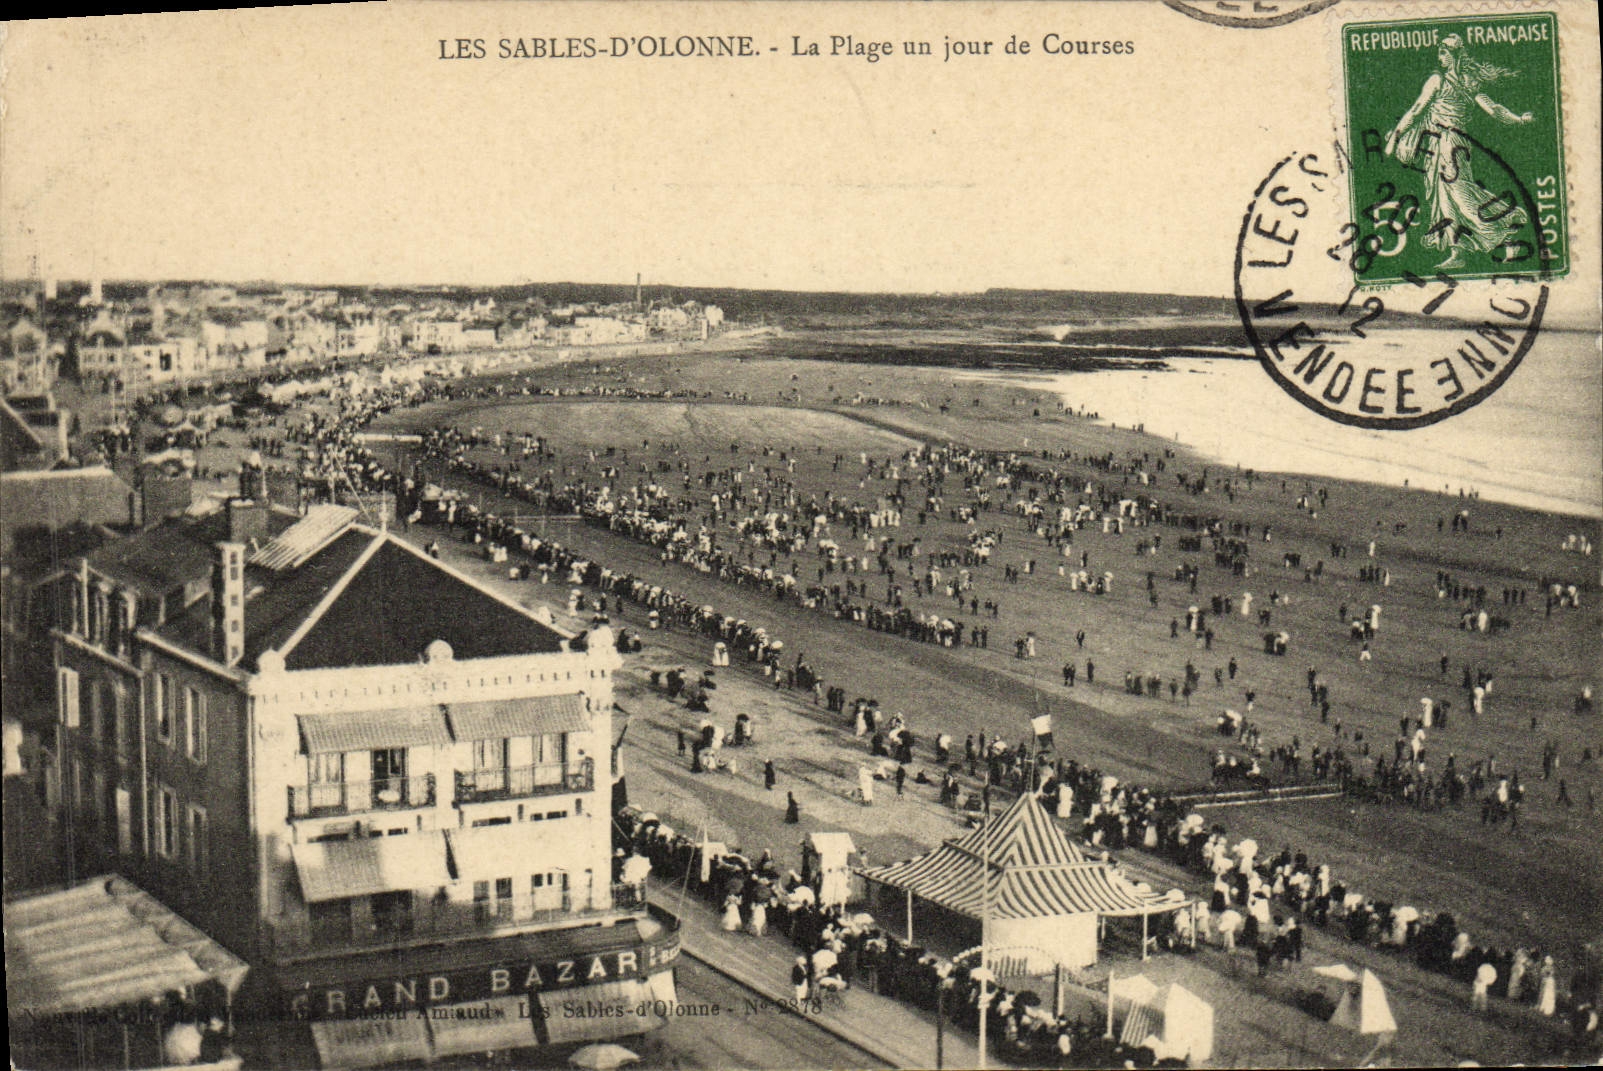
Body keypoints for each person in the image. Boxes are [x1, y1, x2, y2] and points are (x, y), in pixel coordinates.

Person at [1384, 34, 1535, 270]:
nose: (1440, 58)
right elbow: (1417, 110)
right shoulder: (1453, 81)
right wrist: (1518, 119)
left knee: (1460, 193)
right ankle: (1459, 251)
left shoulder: (1452, 81)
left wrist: (1518, 119)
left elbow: (1493, 109)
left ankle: (1503, 223)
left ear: (1454, 55)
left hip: (1450, 143)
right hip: (1440, 144)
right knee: (1445, 199)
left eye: (1443, 53)